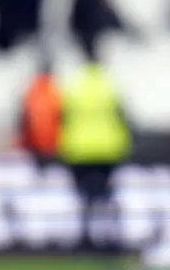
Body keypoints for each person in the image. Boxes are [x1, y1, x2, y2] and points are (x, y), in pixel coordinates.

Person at [57, 37, 133, 253]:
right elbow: (122, 114)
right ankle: (111, 237)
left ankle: (85, 239)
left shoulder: (74, 85)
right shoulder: (109, 84)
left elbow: (63, 116)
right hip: (108, 148)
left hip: (79, 149)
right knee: (107, 195)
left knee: (84, 198)